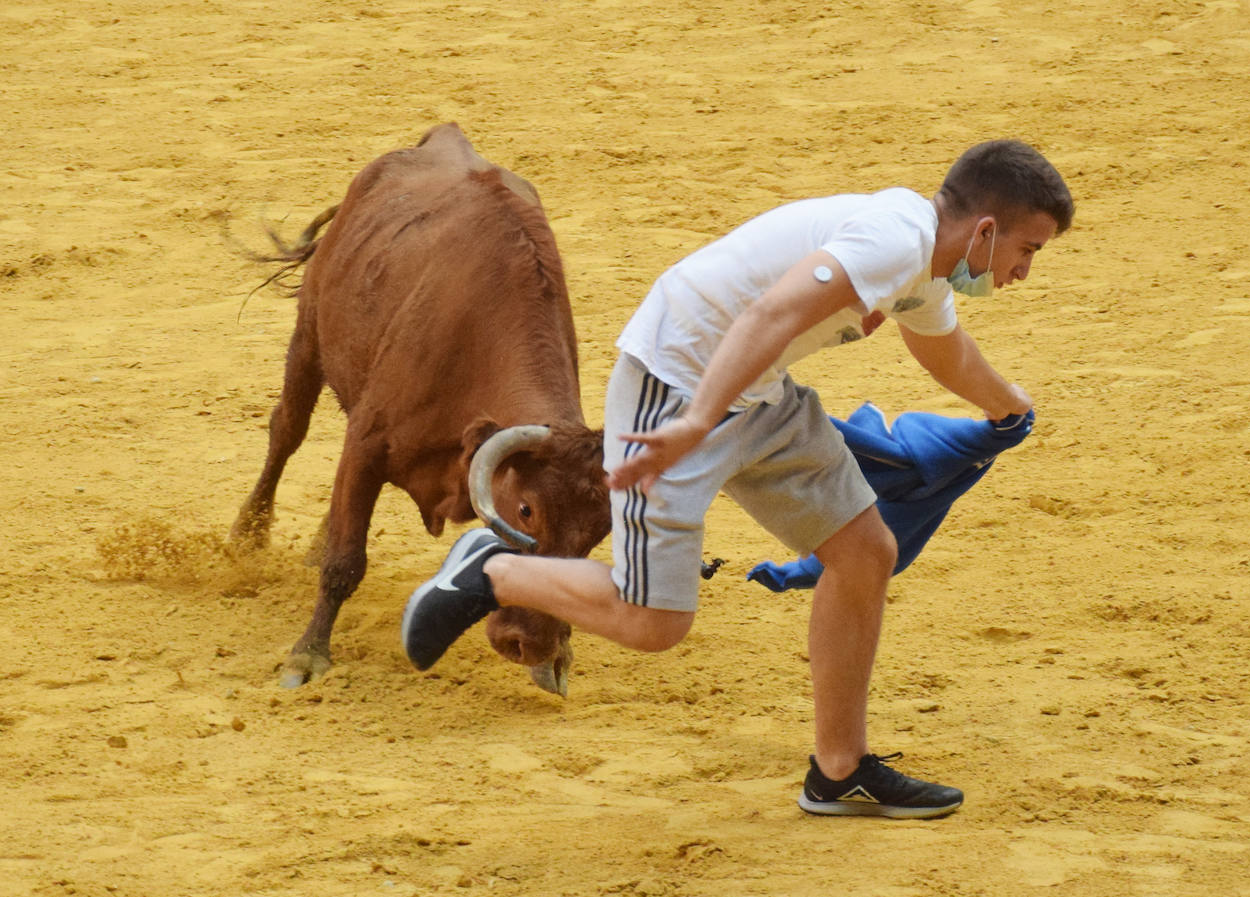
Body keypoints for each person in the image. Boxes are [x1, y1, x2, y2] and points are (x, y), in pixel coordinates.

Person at [401, 139, 1074, 819]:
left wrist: (1003, 403)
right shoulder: (894, 241)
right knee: (654, 620)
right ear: (985, 231)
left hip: (754, 392)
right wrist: (695, 420)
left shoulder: (924, 262)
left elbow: (943, 347)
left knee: (864, 551)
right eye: (1028, 250)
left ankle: (838, 771)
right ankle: (492, 572)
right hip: (673, 384)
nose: (1022, 272)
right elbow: (770, 314)